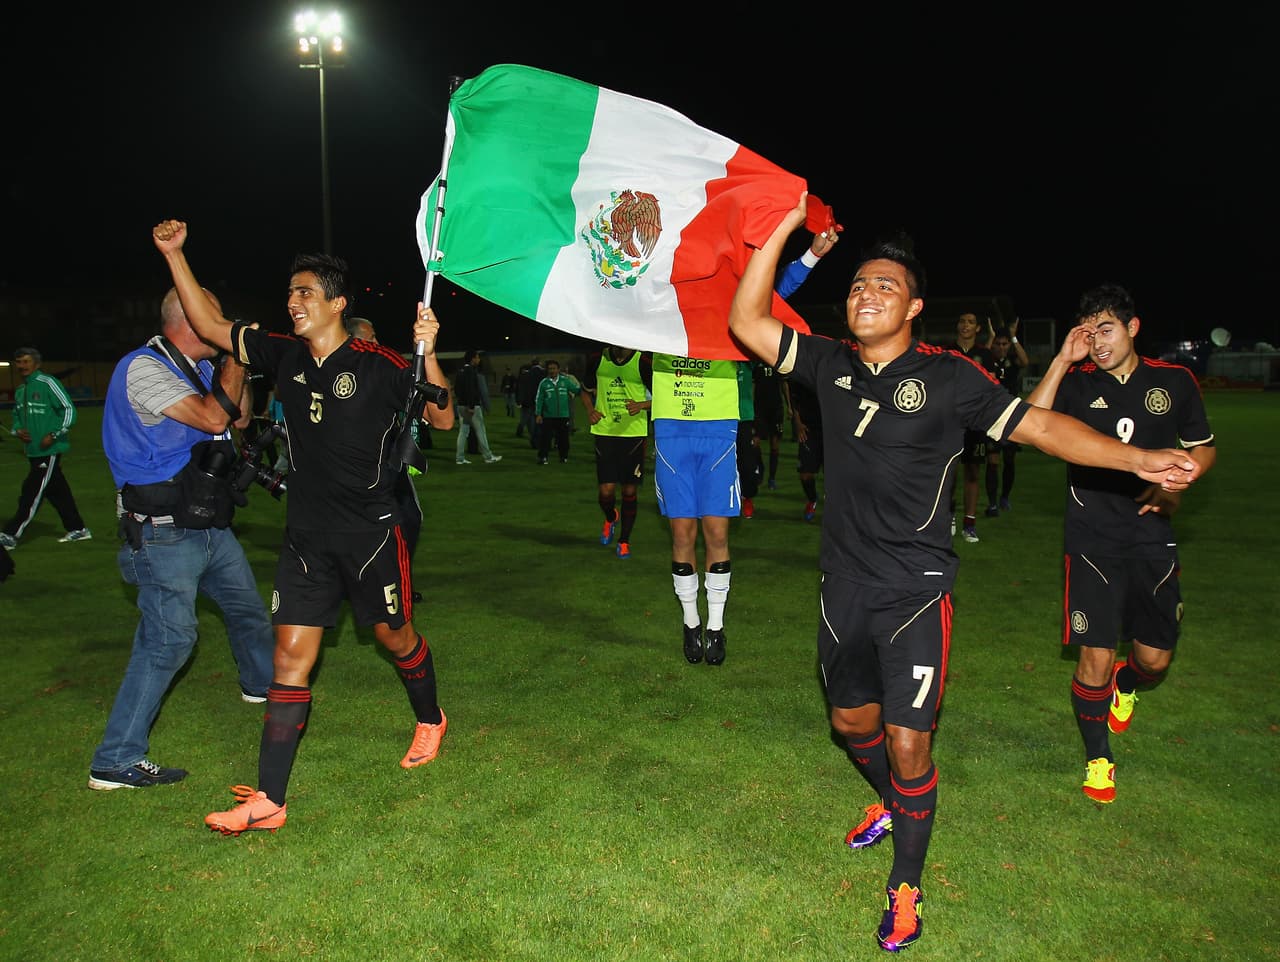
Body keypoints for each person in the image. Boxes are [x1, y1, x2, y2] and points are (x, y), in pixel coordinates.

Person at [728, 193, 1202, 953]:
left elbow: (1040, 427)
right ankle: (892, 804)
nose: (866, 294)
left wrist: (1138, 459)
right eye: (858, 285)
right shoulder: (828, 362)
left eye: (884, 285)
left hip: (916, 594)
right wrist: (783, 229)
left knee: (910, 744)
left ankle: (905, 887)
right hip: (842, 586)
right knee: (851, 726)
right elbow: (746, 321)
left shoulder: (950, 378)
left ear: (914, 307)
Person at [152, 218, 456, 835]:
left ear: (337, 303)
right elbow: (209, 326)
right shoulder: (283, 354)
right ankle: (270, 799)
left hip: (371, 535)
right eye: (291, 292)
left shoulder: (378, 364)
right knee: (289, 660)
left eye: (306, 292)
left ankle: (431, 718)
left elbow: (444, 420)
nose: (293, 302)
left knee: (396, 638)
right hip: (306, 537)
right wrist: (175, 254)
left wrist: (429, 351)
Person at [1026, 283, 1216, 804]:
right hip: (1091, 536)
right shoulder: (1077, 382)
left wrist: (1183, 478)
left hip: (1152, 535)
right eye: (1089, 333)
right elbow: (1028, 425)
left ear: (1133, 328)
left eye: (1106, 330)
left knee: (1154, 660)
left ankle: (1126, 684)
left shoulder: (1174, 381)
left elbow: (1202, 447)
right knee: (1095, 654)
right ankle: (1098, 758)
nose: (1098, 342)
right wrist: (1062, 360)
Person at [88, 287, 275, 790]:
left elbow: (237, 418)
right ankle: (115, 760)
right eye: (213, 316)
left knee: (247, 610)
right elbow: (212, 417)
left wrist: (238, 366)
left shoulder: (201, 367)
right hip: (162, 532)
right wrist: (237, 353)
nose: (222, 323)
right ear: (189, 321)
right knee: (169, 639)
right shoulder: (142, 368)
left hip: (206, 523)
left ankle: (261, 686)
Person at [346, 316, 425, 603]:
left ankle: (399, 582)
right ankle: (356, 583)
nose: (377, 343)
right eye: (371, 338)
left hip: (390, 460)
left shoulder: (382, 368)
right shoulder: (339, 376)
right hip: (356, 468)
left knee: (409, 518)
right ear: (354, 341)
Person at [0, 347, 92, 548]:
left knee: (31, 491)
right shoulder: (21, 390)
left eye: (26, 361)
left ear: (36, 364)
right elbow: (16, 417)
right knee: (57, 491)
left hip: (49, 450)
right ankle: (78, 529)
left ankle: (10, 534)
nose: (22, 366)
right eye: (19, 362)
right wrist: (17, 430)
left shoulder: (48, 382)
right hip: (32, 450)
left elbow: (69, 410)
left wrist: (54, 434)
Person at [579, 345, 652, 558]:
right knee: (606, 491)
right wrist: (590, 410)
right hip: (605, 431)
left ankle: (624, 541)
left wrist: (641, 405)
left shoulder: (642, 362)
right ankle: (611, 517)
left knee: (629, 491)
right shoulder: (597, 358)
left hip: (634, 434)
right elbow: (584, 391)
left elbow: (664, 396)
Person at [942, 313, 995, 542]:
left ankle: (969, 524)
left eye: (971, 322)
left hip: (975, 422)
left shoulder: (985, 354)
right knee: (950, 472)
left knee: (973, 472)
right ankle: (949, 516)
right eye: (962, 321)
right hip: (950, 422)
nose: (966, 325)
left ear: (978, 328)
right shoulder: (946, 352)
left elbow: (990, 385)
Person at [981, 321, 1029, 516]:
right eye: (998, 344)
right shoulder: (988, 359)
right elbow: (978, 359)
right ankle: (992, 504)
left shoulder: (1013, 361)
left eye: (1004, 344)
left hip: (1011, 416)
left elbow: (1025, 361)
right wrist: (990, 338)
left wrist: (1014, 337)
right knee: (992, 461)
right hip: (991, 416)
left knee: (1009, 460)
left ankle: (1004, 497)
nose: (1001, 347)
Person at [452, 349, 503, 465]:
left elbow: (457, 389)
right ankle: (488, 456)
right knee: (480, 431)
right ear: (473, 359)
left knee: (463, 432)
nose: (479, 360)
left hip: (461, 405)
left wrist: (462, 402)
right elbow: (471, 389)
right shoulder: (471, 371)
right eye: (477, 357)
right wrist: (471, 405)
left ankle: (459, 458)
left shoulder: (460, 371)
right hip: (471, 406)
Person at [534, 359, 580, 464]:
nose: (552, 371)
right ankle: (543, 457)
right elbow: (539, 399)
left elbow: (576, 390)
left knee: (563, 438)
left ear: (558, 369)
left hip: (563, 415)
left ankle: (563, 457)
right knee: (546, 438)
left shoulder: (565, 381)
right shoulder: (544, 383)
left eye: (554, 368)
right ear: (547, 370)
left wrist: (586, 388)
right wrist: (538, 414)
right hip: (548, 416)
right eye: (550, 369)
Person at [516, 357, 544, 447]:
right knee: (540, 421)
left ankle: (534, 440)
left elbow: (520, 388)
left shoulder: (525, 374)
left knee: (530, 421)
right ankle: (539, 441)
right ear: (540, 363)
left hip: (527, 402)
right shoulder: (544, 373)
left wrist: (519, 401)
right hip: (540, 401)